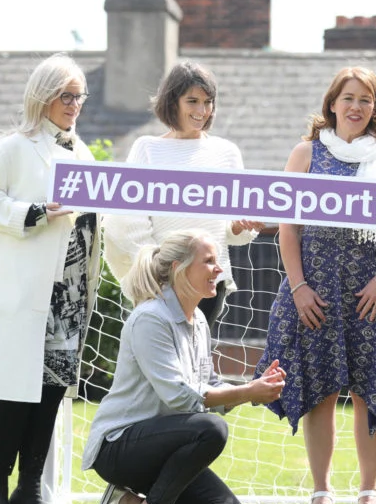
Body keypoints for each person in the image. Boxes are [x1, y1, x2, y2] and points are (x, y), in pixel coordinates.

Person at [256, 67, 376, 504]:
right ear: (332, 103)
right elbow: (288, 227)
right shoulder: (306, 152)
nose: (356, 106)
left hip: (372, 291)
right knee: (319, 391)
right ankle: (321, 494)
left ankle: (369, 495)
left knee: (370, 393)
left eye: (366, 99)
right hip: (315, 289)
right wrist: (299, 287)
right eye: (348, 97)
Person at [0, 53, 101, 504]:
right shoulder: (13, 147)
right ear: (42, 95)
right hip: (20, 292)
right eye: (65, 95)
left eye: (79, 96)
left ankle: (30, 490)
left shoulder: (84, 155)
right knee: (6, 391)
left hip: (68, 296)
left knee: (51, 390)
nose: (74, 104)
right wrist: (34, 212)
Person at [82, 230, 286, 504]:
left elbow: (209, 384)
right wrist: (248, 391)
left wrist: (256, 389)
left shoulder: (199, 321)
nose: (219, 269)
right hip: (118, 448)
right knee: (212, 429)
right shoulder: (150, 318)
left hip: (166, 445)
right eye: (209, 261)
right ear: (179, 269)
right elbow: (180, 396)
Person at [103, 61, 264, 328]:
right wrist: (161, 270)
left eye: (207, 102)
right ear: (173, 101)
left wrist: (239, 227)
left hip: (209, 282)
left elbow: (232, 231)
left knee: (197, 352)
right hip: (161, 283)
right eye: (192, 101)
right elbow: (127, 222)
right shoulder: (147, 149)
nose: (201, 111)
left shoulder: (227, 153)